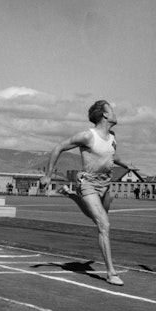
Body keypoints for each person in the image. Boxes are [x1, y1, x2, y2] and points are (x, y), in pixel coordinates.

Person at [40, 100, 134, 286]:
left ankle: (71, 195)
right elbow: (58, 147)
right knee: (103, 225)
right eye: (112, 110)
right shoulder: (87, 136)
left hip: (106, 184)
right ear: (105, 115)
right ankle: (111, 273)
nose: (116, 113)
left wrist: (125, 165)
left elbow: (111, 156)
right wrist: (48, 175)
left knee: (98, 219)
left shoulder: (112, 136)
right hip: (88, 183)